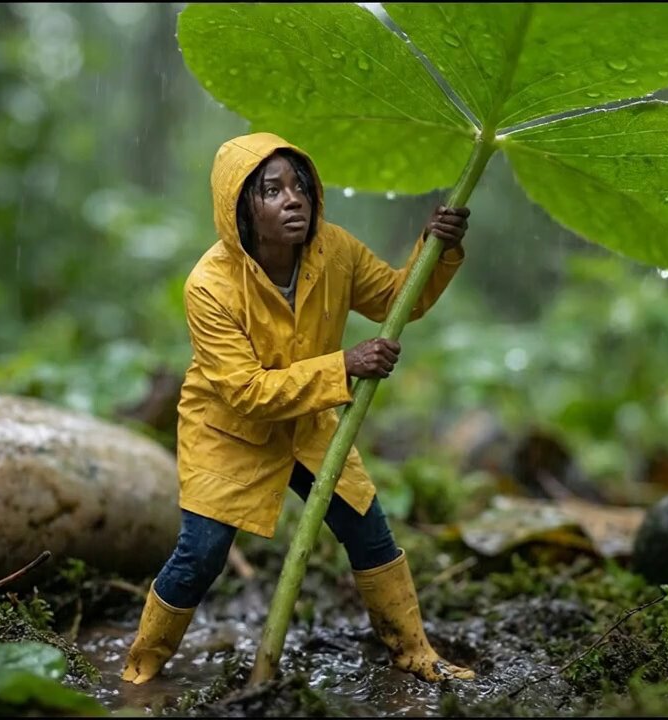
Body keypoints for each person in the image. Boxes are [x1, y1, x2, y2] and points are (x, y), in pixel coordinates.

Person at [121, 132, 474, 686]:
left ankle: (413, 651)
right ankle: (141, 666)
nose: (294, 199)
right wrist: (343, 366)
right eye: (272, 190)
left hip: (310, 425)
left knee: (368, 533)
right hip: (229, 434)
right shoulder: (209, 286)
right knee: (201, 556)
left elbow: (398, 298)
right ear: (241, 207)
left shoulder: (336, 251)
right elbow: (246, 393)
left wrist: (438, 247)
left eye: (300, 186)